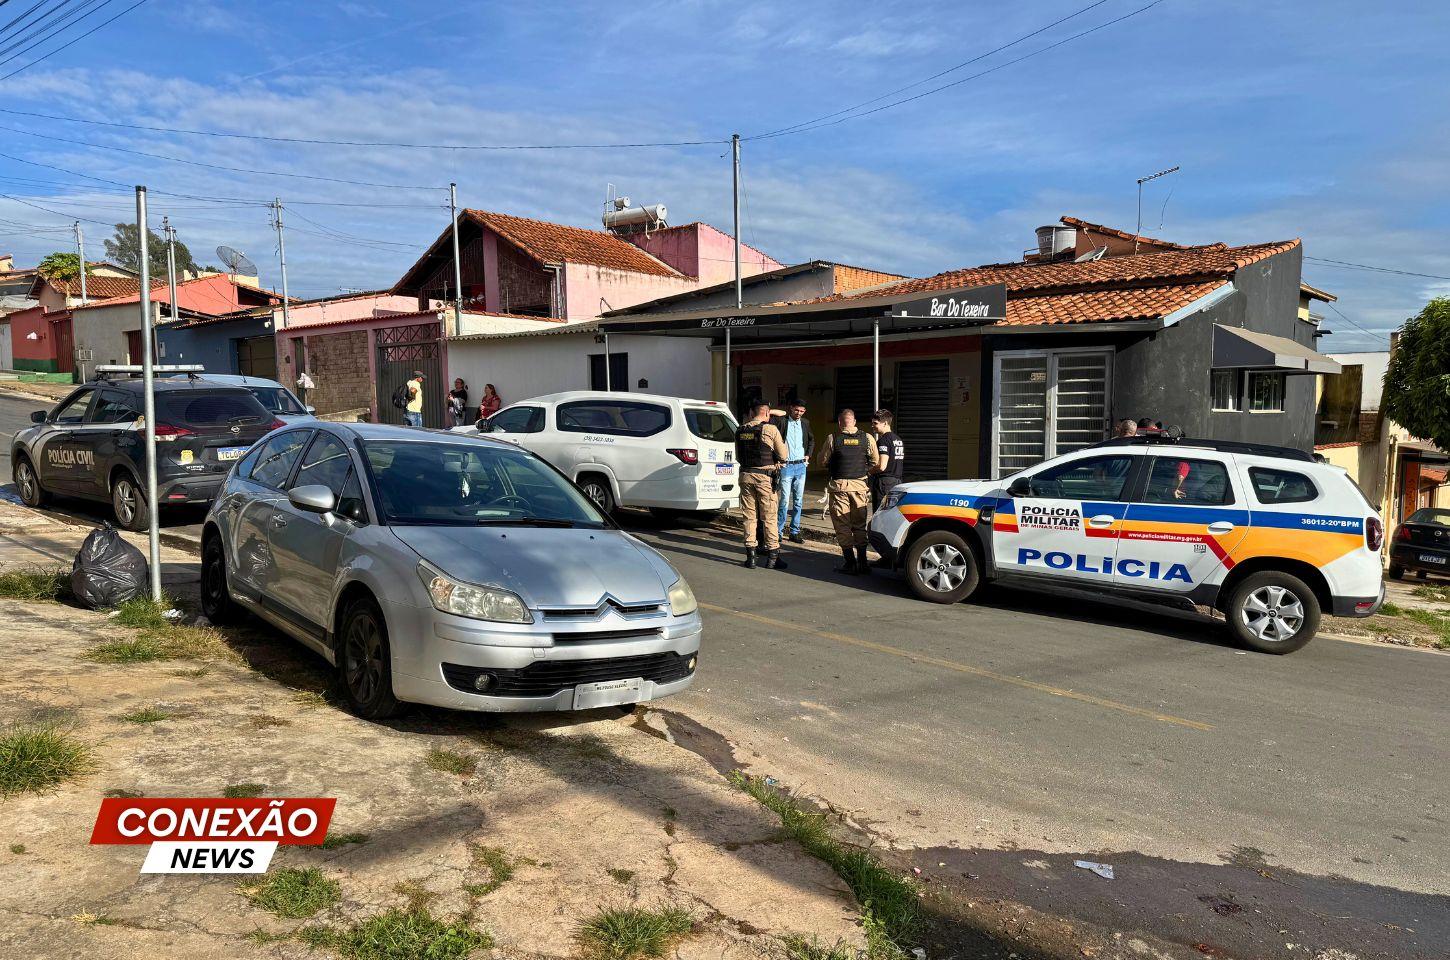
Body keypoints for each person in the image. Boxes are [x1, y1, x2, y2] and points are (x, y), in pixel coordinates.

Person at [817, 408, 876, 575]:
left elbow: (822, 461)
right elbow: (875, 460)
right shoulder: (867, 438)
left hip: (839, 488)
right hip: (860, 487)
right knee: (859, 524)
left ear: (839, 423)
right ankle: (863, 563)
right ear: (855, 422)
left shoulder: (833, 438)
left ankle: (850, 563)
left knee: (842, 525)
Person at [734, 401, 790, 570]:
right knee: (769, 517)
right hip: (764, 479)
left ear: (752, 413)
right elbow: (783, 455)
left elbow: (738, 456)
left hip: (745, 476)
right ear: (767, 414)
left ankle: (751, 557)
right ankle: (773, 557)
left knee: (749, 517)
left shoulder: (740, 430)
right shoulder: (770, 429)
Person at [771, 398, 814, 544]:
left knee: (798, 501)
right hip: (786, 466)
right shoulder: (782, 421)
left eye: (802, 411)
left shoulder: (805, 423)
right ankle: (778, 531)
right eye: (796, 410)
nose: (799, 413)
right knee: (784, 501)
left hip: (801, 466)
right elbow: (768, 416)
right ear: (791, 408)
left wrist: (808, 454)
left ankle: (795, 531)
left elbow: (811, 440)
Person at [869, 409, 905, 511]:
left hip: (884, 483)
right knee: (892, 513)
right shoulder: (898, 439)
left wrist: (868, 471)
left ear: (885, 423)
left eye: (875, 423)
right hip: (897, 482)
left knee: (880, 513)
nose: (872, 426)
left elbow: (881, 466)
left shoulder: (883, 441)